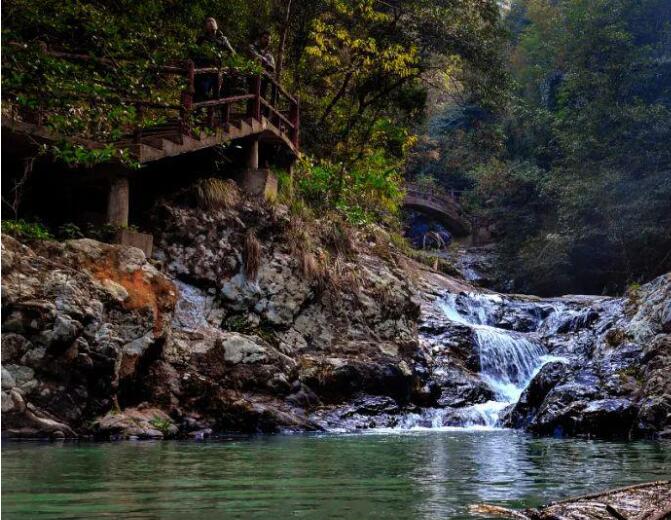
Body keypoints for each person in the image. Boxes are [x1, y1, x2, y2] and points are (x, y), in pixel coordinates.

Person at [194, 17, 236, 101]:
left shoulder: (223, 39)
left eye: (212, 21)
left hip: (218, 69)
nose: (210, 23)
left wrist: (222, 56)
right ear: (205, 26)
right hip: (204, 70)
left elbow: (232, 52)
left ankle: (212, 111)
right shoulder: (202, 38)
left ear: (216, 24)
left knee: (217, 95)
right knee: (202, 92)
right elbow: (195, 52)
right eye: (208, 21)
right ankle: (199, 111)